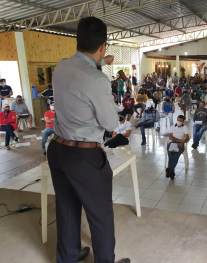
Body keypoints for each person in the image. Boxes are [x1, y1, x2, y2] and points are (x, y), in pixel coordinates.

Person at [47, 17, 129, 263]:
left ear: (77, 40)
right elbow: (110, 123)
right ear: (103, 46)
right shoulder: (97, 79)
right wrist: (101, 69)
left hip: (58, 149)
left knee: (67, 208)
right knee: (100, 215)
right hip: (84, 156)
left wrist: (99, 64)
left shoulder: (61, 67)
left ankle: (68, 258)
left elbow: (80, 85)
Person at [166, 115, 190, 180]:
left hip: (180, 144)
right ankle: (171, 171)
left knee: (175, 156)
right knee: (170, 156)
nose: (179, 122)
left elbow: (187, 137)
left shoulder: (185, 127)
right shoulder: (172, 127)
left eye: (181, 121)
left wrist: (183, 142)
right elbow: (170, 137)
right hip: (172, 143)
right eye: (178, 120)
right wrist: (179, 140)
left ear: (183, 122)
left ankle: (169, 170)